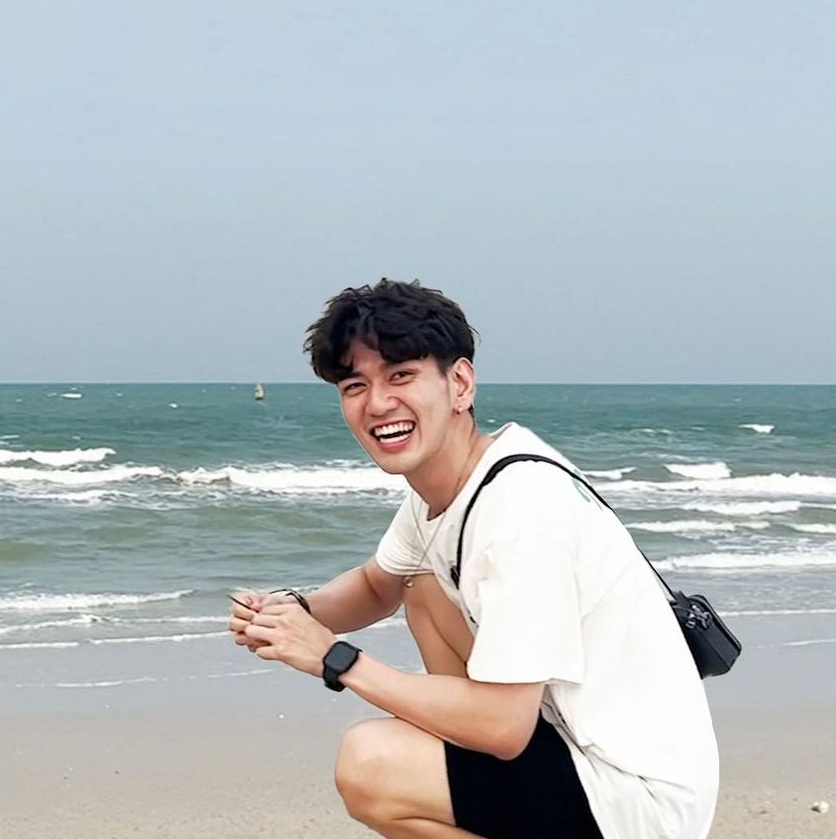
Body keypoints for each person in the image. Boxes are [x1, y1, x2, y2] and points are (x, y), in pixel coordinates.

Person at [228, 279, 719, 839]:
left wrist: (333, 658)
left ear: (459, 383)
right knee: (421, 586)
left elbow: (504, 728)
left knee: (370, 763)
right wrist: (290, 612)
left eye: (401, 375)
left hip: (635, 796)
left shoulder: (521, 515)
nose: (377, 403)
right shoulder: (453, 484)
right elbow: (376, 585)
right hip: (569, 740)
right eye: (355, 385)